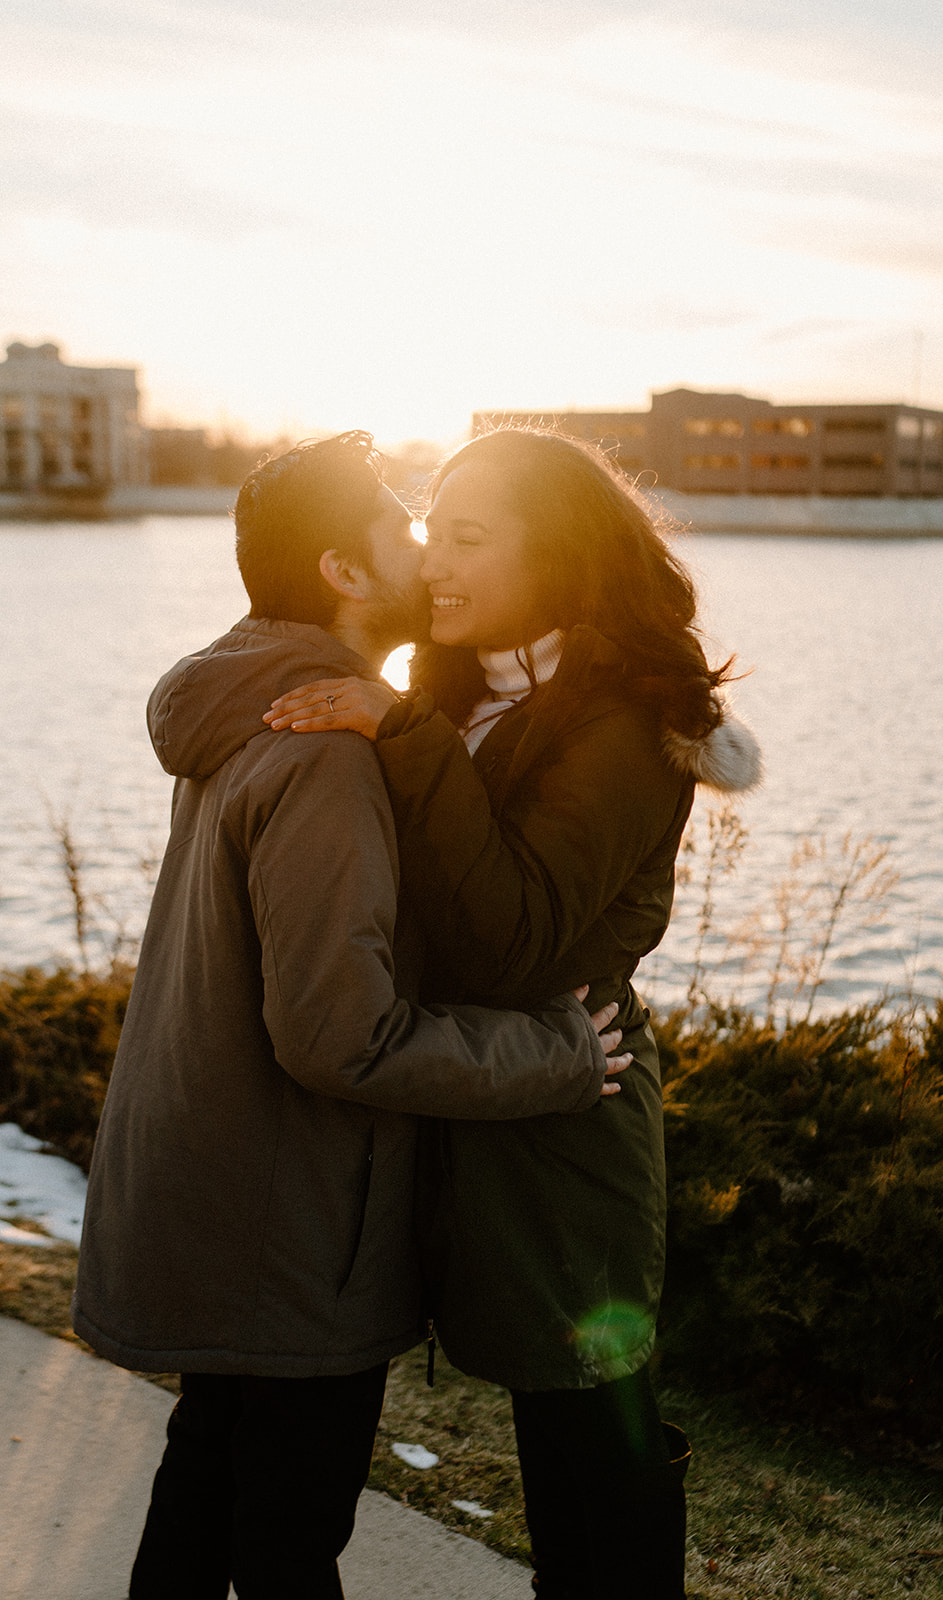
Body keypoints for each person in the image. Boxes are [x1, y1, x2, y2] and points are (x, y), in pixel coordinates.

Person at [71, 431, 628, 1600]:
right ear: (343, 572)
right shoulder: (321, 751)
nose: (426, 555)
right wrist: (556, 1054)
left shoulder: (256, 706)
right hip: (292, 1227)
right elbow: (341, 1035)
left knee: (206, 1503)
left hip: (228, 1198)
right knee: (282, 1541)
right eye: (404, 529)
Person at [266, 426, 762, 1600]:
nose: (434, 560)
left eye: (470, 537)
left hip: (563, 1129)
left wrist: (398, 732)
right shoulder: (455, 687)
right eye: (431, 530)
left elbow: (509, 940)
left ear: (563, 556)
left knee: (592, 1460)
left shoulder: (623, 724)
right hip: (456, 1108)